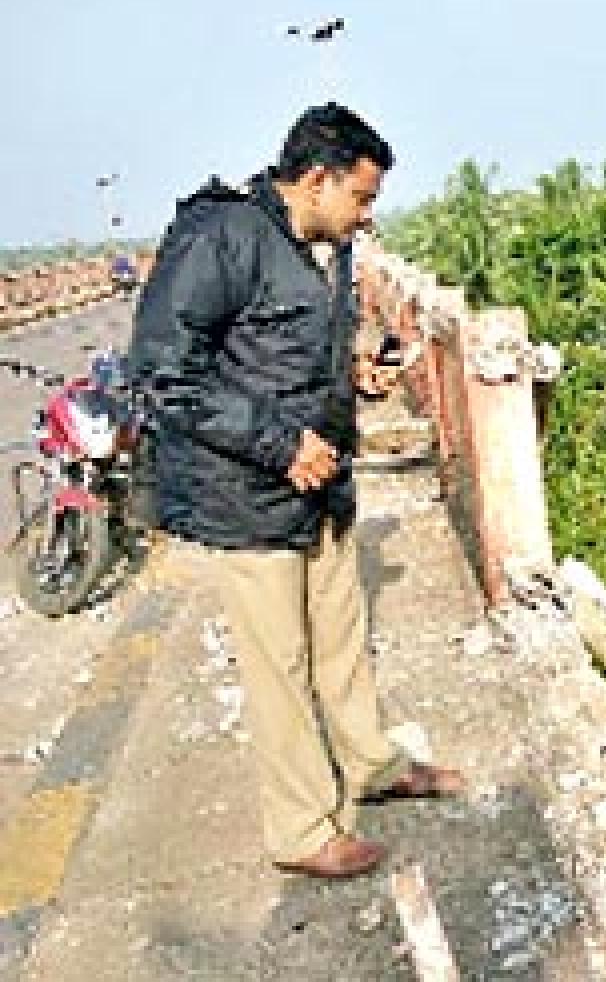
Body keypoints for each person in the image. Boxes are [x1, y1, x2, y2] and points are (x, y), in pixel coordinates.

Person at [128, 103, 465, 880]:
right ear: (317, 180)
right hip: (247, 495)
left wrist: (356, 375)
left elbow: (289, 350)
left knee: (341, 644)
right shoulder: (220, 237)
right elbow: (164, 372)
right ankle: (301, 831)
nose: (367, 216)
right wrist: (277, 443)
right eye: (362, 198)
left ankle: (372, 768)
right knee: (279, 666)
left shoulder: (327, 247)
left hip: (321, 485)